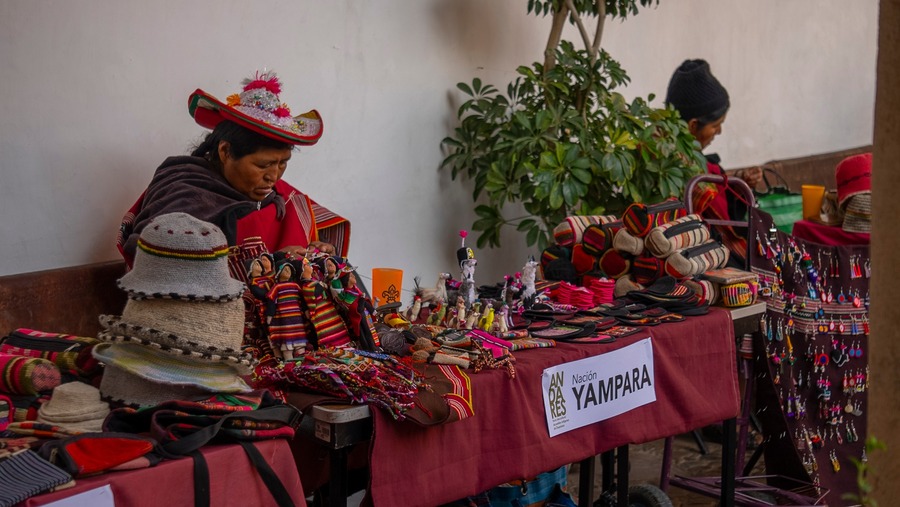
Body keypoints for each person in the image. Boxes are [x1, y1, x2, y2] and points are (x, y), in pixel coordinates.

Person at [117, 70, 350, 269]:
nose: (273, 176)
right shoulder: (185, 194)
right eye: (263, 165)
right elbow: (161, 265)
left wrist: (315, 252)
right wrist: (275, 262)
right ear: (226, 151)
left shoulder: (276, 193)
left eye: (283, 163)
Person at [665, 59, 761, 268]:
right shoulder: (670, 169)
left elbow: (722, 206)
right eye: (716, 125)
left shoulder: (703, 167)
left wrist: (740, 184)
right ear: (692, 126)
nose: (719, 132)